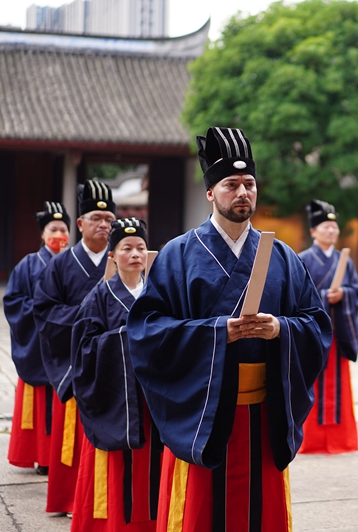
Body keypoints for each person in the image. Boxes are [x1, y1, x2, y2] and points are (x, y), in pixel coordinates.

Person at [127, 127, 331, 532]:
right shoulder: (178, 255)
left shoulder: (283, 257)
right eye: (231, 184)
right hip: (203, 415)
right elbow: (147, 331)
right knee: (203, 515)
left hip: (264, 412)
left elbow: (316, 324)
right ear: (210, 193)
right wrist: (217, 333)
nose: (243, 192)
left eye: (250, 184)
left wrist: (281, 329)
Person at [71, 218, 162, 532]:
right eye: (127, 248)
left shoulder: (159, 293)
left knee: (157, 466)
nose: (135, 253)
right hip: (118, 401)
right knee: (121, 471)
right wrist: (125, 338)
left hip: (155, 398)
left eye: (140, 248)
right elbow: (83, 348)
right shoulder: (99, 296)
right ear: (112, 255)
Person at [34, 180, 117, 514]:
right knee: (75, 437)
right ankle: (72, 500)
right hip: (76, 361)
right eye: (96, 219)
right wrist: (87, 315)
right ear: (80, 223)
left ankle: (108, 501)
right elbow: (44, 310)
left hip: (112, 362)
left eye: (109, 219)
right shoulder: (61, 264)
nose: (104, 225)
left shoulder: (121, 259)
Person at [4, 202, 69, 474]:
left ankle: (61, 456)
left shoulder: (73, 262)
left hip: (65, 343)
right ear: (42, 234)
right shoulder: (27, 265)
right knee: (43, 403)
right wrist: (44, 313)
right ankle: (42, 456)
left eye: (63, 229)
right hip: (37, 344)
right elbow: (13, 302)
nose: (59, 234)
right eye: (53, 229)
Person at [297, 199, 358, 454]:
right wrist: (324, 297)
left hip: (338, 332)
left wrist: (344, 294)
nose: (332, 231)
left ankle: (340, 439)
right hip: (314, 333)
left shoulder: (345, 260)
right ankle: (312, 440)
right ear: (313, 231)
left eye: (334, 227)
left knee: (339, 384)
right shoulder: (301, 259)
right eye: (326, 227)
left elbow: (357, 290)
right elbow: (297, 295)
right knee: (312, 380)